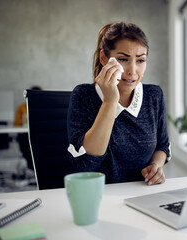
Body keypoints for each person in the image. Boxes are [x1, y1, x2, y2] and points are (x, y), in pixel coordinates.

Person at [67, 22, 171, 185]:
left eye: (140, 60)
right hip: (99, 196)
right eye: (123, 59)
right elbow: (85, 165)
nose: (132, 70)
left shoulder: (154, 96)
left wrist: (155, 166)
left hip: (142, 193)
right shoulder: (84, 95)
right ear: (103, 58)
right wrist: (109, 101)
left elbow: (163, 146)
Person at [14, 86, 42, 170]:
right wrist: (24, 121)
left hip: (40, 134)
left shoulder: (43, 107)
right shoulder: (22, 108)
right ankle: (32, 168)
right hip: (25, 133)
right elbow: (16, 124)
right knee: (28, 146)